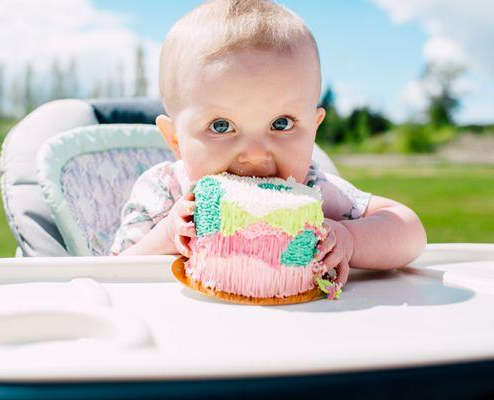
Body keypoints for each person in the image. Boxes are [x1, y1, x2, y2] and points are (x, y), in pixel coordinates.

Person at [110, 0, 427, 289]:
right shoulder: (164, 193)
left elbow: (409, 231)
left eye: (282, 123)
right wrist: (168, 234)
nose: (255, 156)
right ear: (176, 140)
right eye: (221, 126)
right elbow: (113, 273)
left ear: (313, 130)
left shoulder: (316, 192)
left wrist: (350, 239)